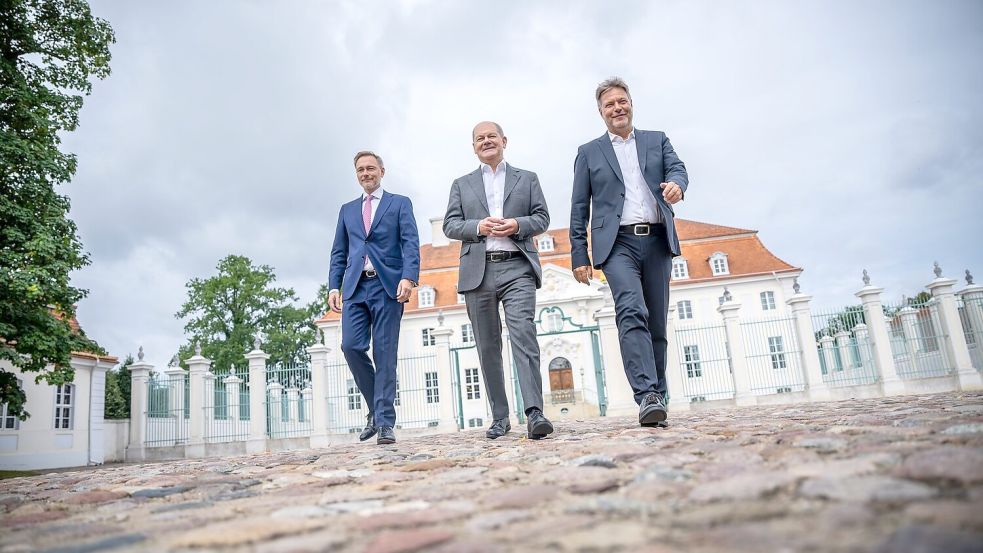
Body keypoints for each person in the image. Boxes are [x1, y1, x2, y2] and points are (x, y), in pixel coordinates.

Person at [569, 77, 689, 427]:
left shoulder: (657, 140)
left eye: (622, 101)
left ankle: (658, 396)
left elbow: (678, 169)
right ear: (601, 112)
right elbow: (579, 206)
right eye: (610, 104)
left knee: (657, 320)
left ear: (631, 103)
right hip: (616, 244)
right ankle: (646, 393)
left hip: (657, 240)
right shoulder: (589, 152)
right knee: (631, 311)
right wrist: (579, 254)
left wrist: (677, 186)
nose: (617, 108)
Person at [443, 121, 554, 440]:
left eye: (491, 136)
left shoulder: (527, 178)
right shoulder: (461, 184)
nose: (486, 141)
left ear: (504, 140)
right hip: (478, 271)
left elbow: (542, 218)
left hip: (517, 265)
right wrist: (479, 227)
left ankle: (534, 412)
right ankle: (500, 416)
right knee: (487, 346)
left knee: (524, 335)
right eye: (480, 138)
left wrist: (516, 224)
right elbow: (451, 225)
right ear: (474, 147)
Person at [328, 151, 420, 445]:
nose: (365, 173)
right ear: (356, 174)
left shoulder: (399, 203)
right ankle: (374, 409)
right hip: (354, 287)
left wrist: (409, 277)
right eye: (360, 170)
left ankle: (384, 423)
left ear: (382, 170)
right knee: (351, 346)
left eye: (370, 168)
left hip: (387, 286)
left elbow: (410, 242)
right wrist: (334, 286)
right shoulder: (347, 210)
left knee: (384, 353)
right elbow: (339, 252)